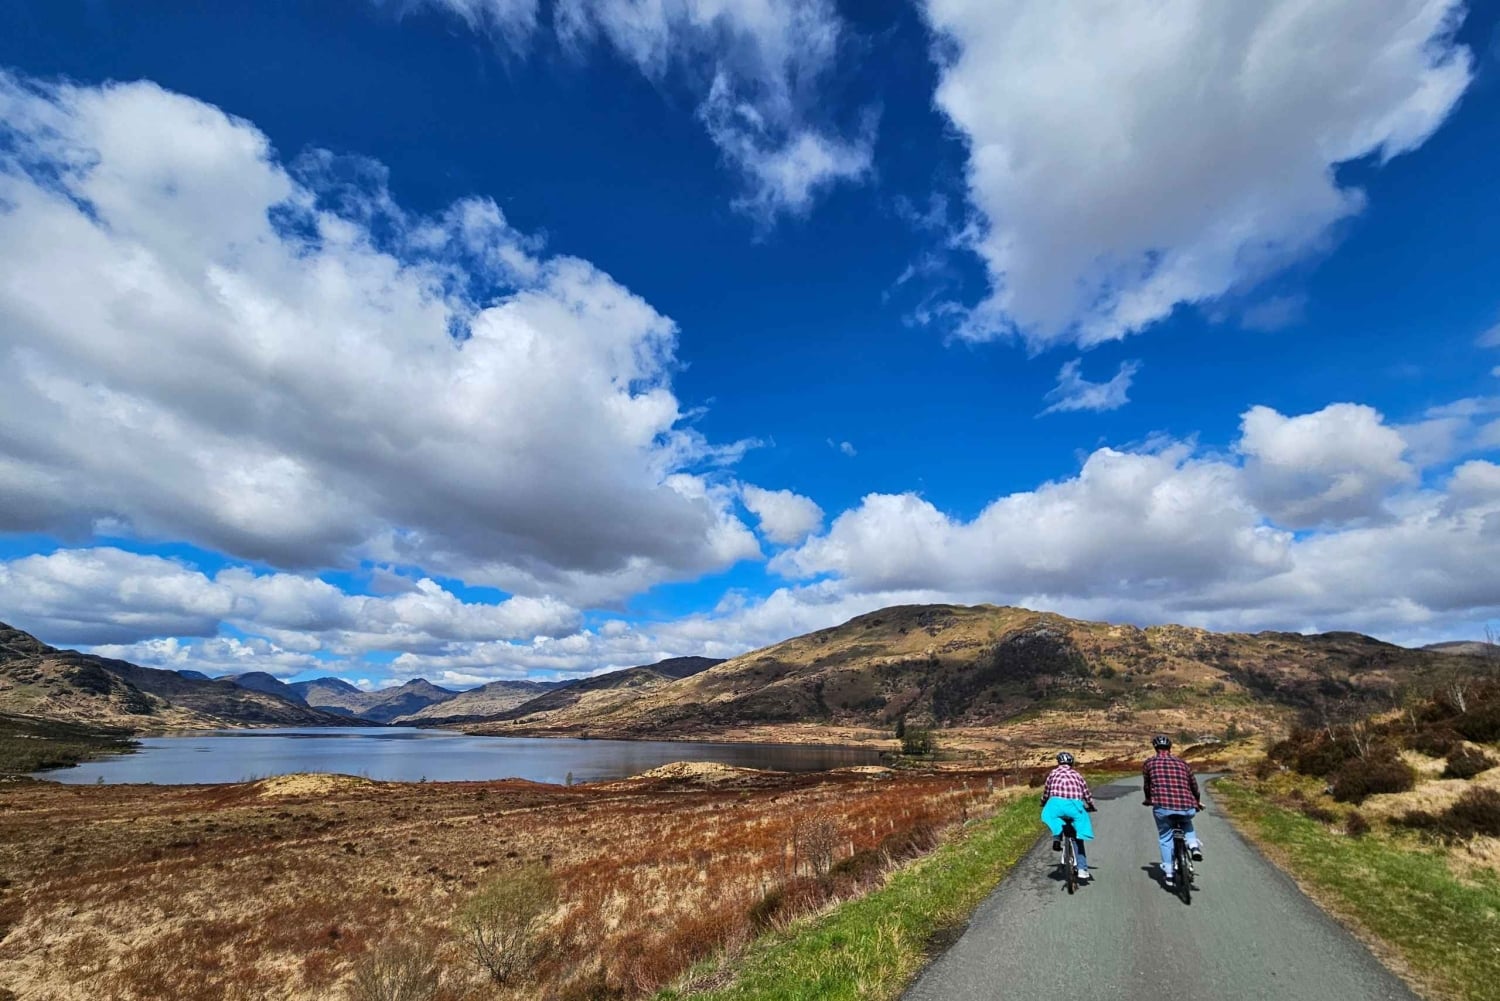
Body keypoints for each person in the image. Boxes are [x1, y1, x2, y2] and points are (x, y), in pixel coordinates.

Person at [1142, 734, 1204, 886]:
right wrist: (1196, 801)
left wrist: (1149, 799)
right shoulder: (1183, 763)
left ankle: (1169, 873)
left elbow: (1147, 785)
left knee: (1165, 837)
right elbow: (1194, 785)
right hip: (1186, 805)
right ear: (1170, 748)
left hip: (1163, 806)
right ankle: (1193, 846)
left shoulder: (1149, 763)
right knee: (1187, 821)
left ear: (1155, 748)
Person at [1040, 751, 1097, 880]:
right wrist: (1091, 806)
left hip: (1055, 804)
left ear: (1058, 762)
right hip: (1074, 806)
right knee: (1078, 836)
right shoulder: (1077, 775)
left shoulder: (1053, 774)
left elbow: (1046, 792)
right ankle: (1082, 869)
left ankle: (1057, 837)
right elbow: (1086, 794)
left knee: (1053, 818)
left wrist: (1043, 802)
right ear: (1071, 763)